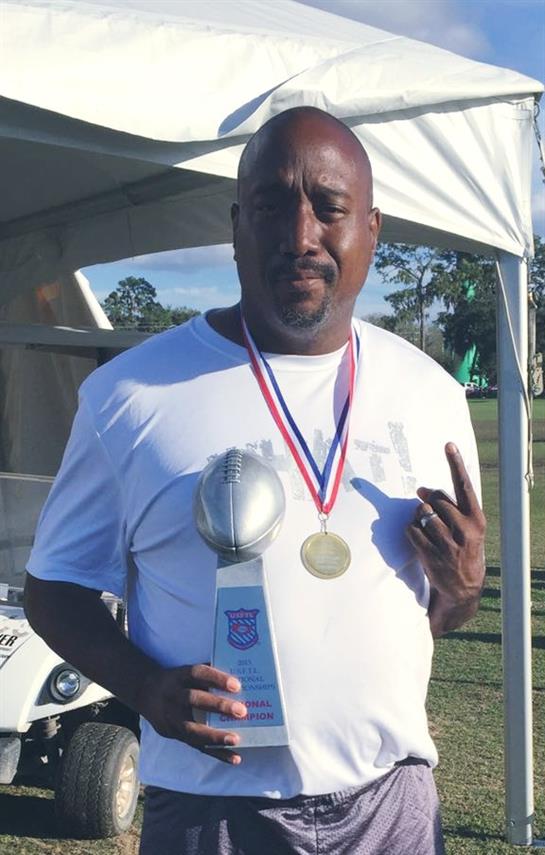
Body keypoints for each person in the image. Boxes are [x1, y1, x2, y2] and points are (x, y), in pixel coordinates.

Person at [25, 107, 486, 855]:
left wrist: (462, 590)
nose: (300, 236)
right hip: (213, 813)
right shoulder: (131, 396)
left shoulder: (430, 394)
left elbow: (431, 612)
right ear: (237, 225)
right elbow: (54, 590)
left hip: (390, 806)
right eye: (272, 205)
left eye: (329, 207)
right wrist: (144, 688)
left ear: (371, 228)